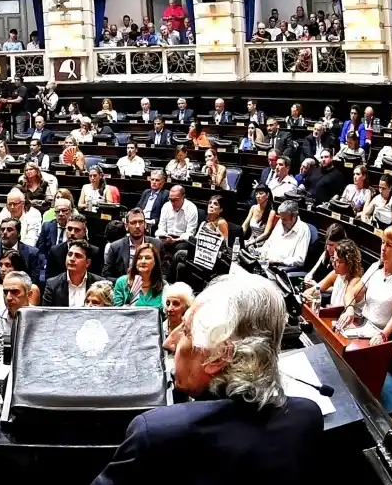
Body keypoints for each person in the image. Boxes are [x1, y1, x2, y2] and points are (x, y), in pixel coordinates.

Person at [90, 273, 324, 485]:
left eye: (186, 331)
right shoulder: (308, 417)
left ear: (218, 356)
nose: (169, 342)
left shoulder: (154, 435)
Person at [338, 225, 392, 345]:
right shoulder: (376, 267)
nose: (383, 248)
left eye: (389, 245)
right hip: (364, 326)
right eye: (383, 243)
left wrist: (383, 335)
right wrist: (349, 309)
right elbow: (351, 292)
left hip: (384, 335)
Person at [304, 239, 365, 309]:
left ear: (350, 263)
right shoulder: (335, 274)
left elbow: (342, 308)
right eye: (334, 259)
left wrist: (323, 309)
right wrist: (307, 294)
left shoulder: (356, 280)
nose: (334, 263)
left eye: (339, 261)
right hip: (331, 313)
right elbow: (314, 289)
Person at [42, 239, 103, 307]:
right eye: (70, 254)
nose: (72, 259)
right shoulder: (52, 284)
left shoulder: (100, 284)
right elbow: (46, 314)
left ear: (88, 263)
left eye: (78, 256)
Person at [258, 201, 312, 269]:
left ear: (294, 217)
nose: (282, 222)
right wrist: (262, 253)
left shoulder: (303, 229)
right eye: (281, 218)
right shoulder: (280, 222)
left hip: (280, 267)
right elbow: (268, 243)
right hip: (265, 263)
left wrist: (278, 261)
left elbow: (300, 260)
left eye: (285, 220)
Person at [112, 242, 165, 309]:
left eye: (147, 258)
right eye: (139, 258)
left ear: (155, 262)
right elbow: (116, 313)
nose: (143, 261)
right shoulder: (122, 282)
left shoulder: (164, 285)